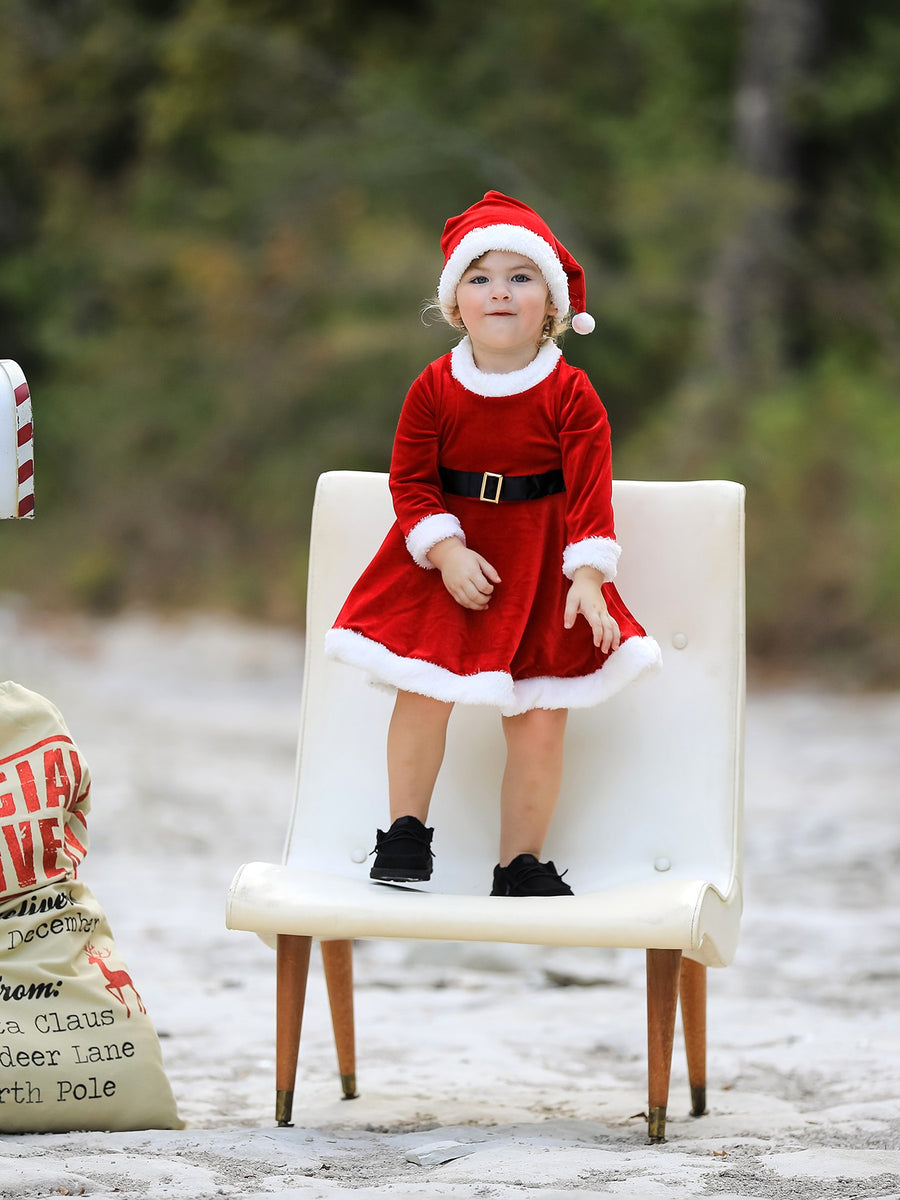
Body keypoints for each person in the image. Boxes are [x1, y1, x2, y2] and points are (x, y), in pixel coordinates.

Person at [325, 191, 661, 896]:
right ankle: (405, 834)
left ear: (553, 304)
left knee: (541, 716)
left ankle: (520, 862)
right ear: (455, 306)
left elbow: (590, 490)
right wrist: (444, 550)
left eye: (520, 276)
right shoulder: (433, 389)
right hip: (448, 560)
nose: (499, 292)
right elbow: (410, 481)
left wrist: (589, 576)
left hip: (540, 561)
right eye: (480, 278)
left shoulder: (572, 394)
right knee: (421, 692)